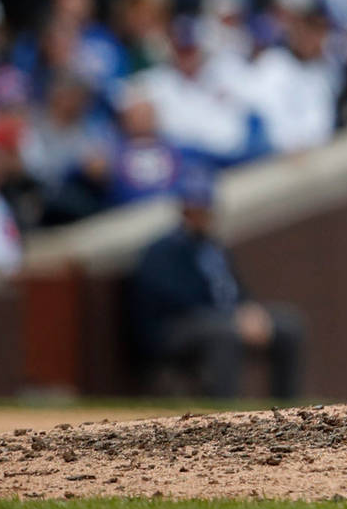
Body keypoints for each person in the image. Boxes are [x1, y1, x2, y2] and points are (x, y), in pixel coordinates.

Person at [127, 166, 305, 398]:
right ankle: (224, 414)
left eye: (207, 209)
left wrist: (250, 310)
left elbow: (234, 288)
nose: (204, 215)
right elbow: (175, 301)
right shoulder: (162, 251)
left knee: (288, 325)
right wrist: (232, 318)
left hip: (223, 318)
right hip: (173, 329)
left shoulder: (213, 246)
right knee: (224, 333)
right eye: (197, 209)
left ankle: (287, 410)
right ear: (185, 210)